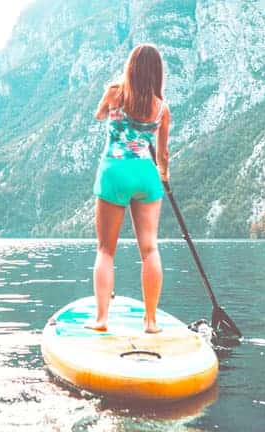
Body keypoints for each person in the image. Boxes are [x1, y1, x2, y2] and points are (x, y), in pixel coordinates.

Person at [86, 44, 171, 334]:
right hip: (146, 175)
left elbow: (99, 115)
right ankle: (150, 321)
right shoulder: (161, 108)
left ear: (130, 68)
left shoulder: (115, 93)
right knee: (150, 249)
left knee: (106, 250)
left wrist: (110, 103)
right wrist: (164, 174)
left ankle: (101, 320)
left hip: (114, 172)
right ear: (156, 73)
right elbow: (163, 155)